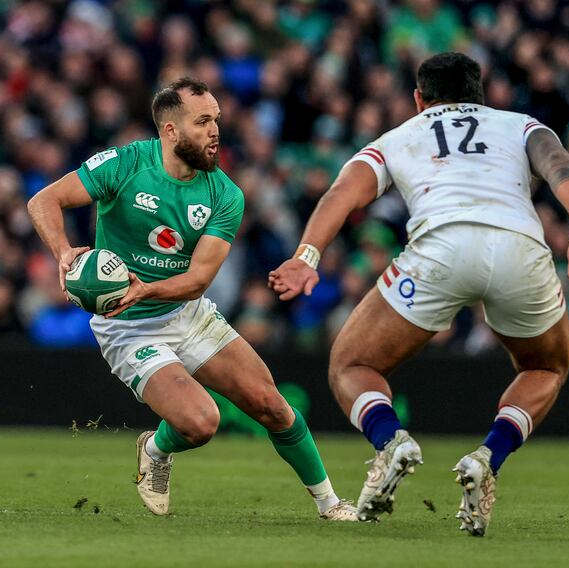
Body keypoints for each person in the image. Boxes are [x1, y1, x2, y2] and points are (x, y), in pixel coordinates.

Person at [269, 52, 569, 536]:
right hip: (520, 248)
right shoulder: (519, 124)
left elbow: (342, 193)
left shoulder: (399, 136)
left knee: (351, 365)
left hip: (441, 249)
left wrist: (307, 256)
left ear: (418, 99)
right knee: (546, 367)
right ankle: (489, 456)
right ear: (481, 95)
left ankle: (391, 443)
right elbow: (560, 165)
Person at [27, 77, 356, 521]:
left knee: (273, 407)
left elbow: (198, 280)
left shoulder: (225, 195)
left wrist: (145, 288)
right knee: (201, 423)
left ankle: (330, 504)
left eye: (216, 119)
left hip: (188, 312)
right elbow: (43, 201)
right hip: (128, 327)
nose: (215, 130)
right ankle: (157, 449)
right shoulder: (125, 165)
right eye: (202, 122)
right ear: (170, 130)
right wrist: (63, 252)